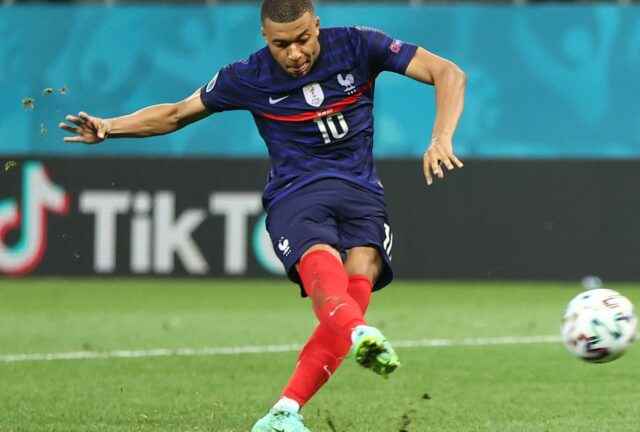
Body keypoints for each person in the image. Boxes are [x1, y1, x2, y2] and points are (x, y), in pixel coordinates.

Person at [59, 1, 466, 430]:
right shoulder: (247, 76)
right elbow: (177, 113)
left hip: (361, 190)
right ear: (265, 40)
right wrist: (110, 126)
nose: (294, 54)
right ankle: (357, 332)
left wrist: (441, 138)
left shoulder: (358, 45)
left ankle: (285, 411)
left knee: (362, 267)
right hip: (297, 192)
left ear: (317, 27)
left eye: (303, 40)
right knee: (321, 260)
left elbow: (448, 73)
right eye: (281, 44)